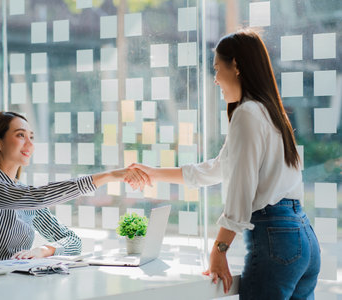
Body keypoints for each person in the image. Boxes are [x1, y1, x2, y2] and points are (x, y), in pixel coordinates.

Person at [127, 29, 320, 299]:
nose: (215, 79)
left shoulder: (247, 114)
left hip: (276, 238)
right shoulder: (269, 111)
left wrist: (219, 249)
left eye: (218, 69)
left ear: (236, 67)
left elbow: (241, 191)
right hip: (303, 236)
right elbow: (217, 169)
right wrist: (154, 173)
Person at [0, 111, 149, 265]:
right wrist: (109, 176)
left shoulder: (23, 193)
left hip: (18, 280)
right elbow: (37, 197)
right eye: (20, 135)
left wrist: (45, 250)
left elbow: (74, 242)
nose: (29, 144)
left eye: (31, 137)